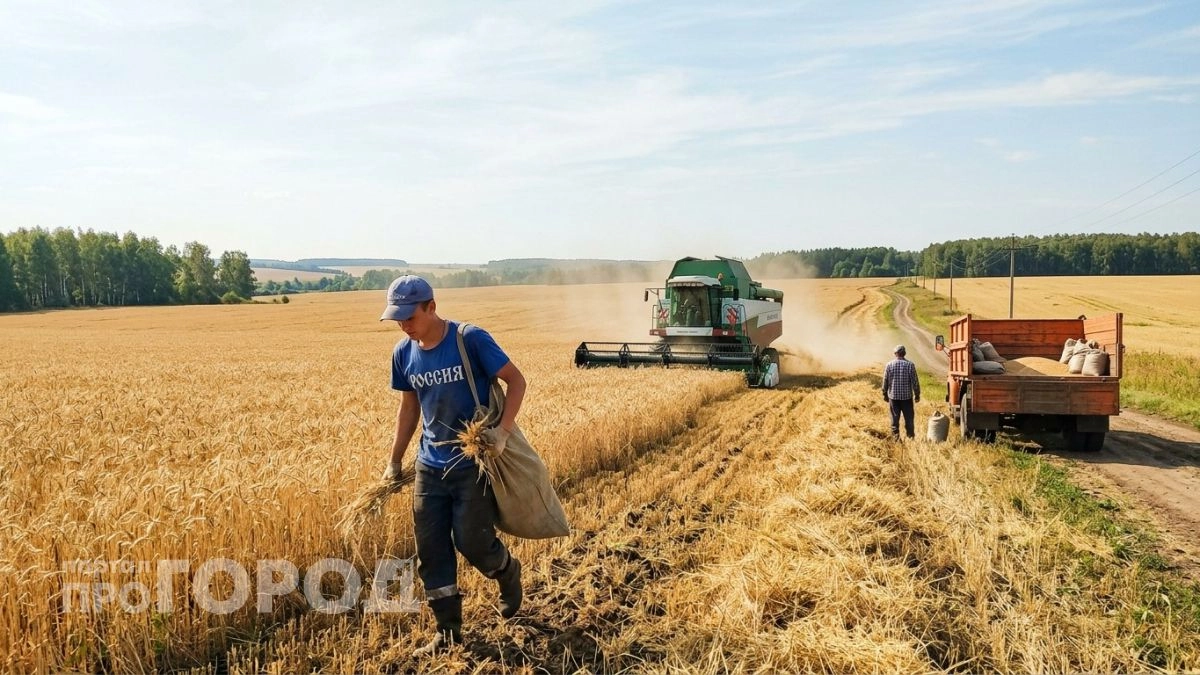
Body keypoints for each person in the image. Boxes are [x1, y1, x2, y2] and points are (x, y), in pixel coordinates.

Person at [378, 275, 527, 656]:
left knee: (473, 542)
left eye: (409, 316)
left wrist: (503, 433)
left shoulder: (469, 339)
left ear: (431, 305)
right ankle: (447, 631)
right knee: (432, 550)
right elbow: (409, 408)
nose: (403, 325)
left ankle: (506, 571)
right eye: (397, 319)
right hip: (430, 466)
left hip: (471, 463)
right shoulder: (403, 353)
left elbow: (516, 381)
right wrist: (394, 461)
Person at [882, 344, 920, 439]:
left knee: (894, 419)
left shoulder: (889, 365)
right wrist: (917, 394)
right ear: (905, 353)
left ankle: (896, 438)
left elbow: (885, 381)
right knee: (909, 419)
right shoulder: (910, 365)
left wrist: (884, 394)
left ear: (895, 354)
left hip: (893, 398)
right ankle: (910, 437)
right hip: (907, 398)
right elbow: (915, 381)